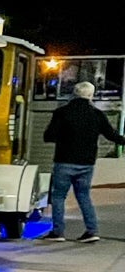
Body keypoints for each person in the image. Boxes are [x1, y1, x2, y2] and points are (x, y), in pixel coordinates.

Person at [40, 81, 125, 243]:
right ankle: (92, 231)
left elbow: (48, 136)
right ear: (91, 95)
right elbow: (112, 135)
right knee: (84, 196)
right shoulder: (97, 114)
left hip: (64, 161)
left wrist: (64, 138)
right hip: (86, 163)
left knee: (58, 196)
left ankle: (58, 232)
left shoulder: (62, 112)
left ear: (74, 93)